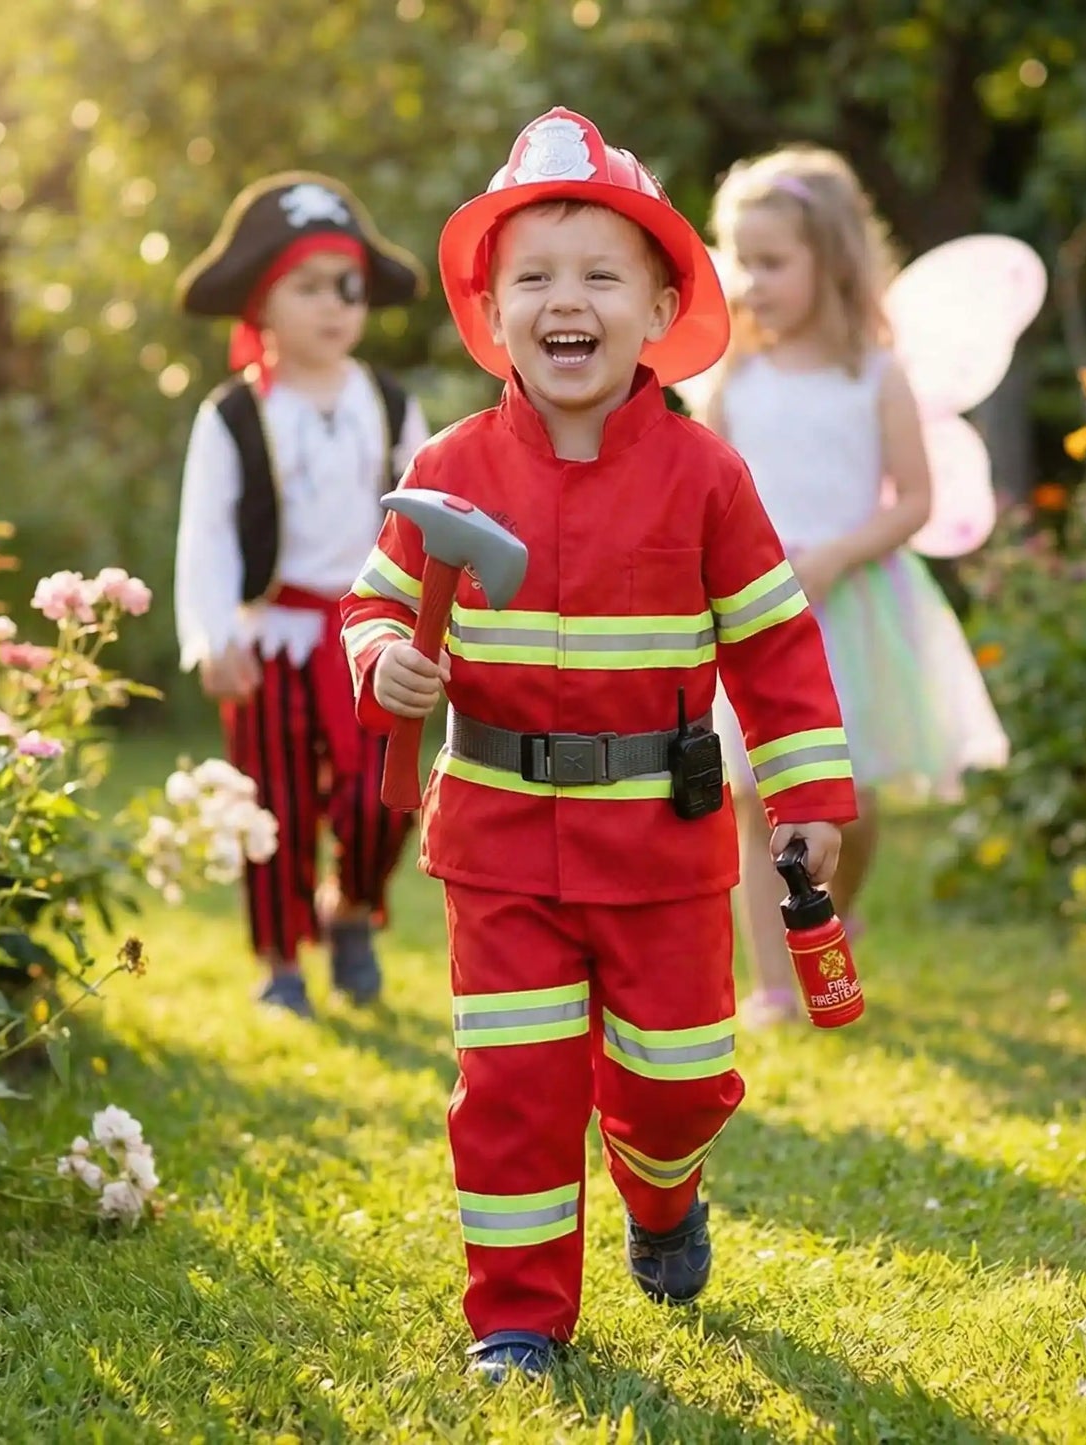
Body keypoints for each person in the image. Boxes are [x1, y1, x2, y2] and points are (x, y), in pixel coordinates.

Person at [340, 109, 856, 1381]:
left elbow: (774, 643)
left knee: (677, 1077)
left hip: (663, 848)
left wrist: (805, 791)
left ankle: (661, 1183)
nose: (563, 302)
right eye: (532, 278)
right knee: (513, 1082)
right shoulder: (449, 469)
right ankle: (516, 1315)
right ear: (491, 310)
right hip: (501, 841)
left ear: (658, 307)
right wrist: (386, 659)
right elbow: (374, 605)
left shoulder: (704, 476)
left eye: (598, 277)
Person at [698, 145, 1008, 1029]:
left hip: (849, 610)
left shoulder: (874, 375)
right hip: (752, 615)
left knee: (850, 802)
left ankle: (836, 905)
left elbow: (913, 500)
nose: (748, 282)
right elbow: (705, 486)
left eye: (770, 262)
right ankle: (771, 987)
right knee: (755, 798)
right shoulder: (734, 375)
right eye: (740, 261)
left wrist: (837, 554)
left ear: (830, 260)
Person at [173, 171, 430, 1019]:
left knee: (380, 800)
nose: (332, 306)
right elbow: (207, 531)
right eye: (308, 287)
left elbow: (424, 516)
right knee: (272, 805)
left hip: (371, 637)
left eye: (346, 288)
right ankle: (280, 958)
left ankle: (351, 907)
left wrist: (434, 618)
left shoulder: (388, 404)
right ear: (262, 304)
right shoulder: (234, 414)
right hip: (273, 633)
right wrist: (214, 634)